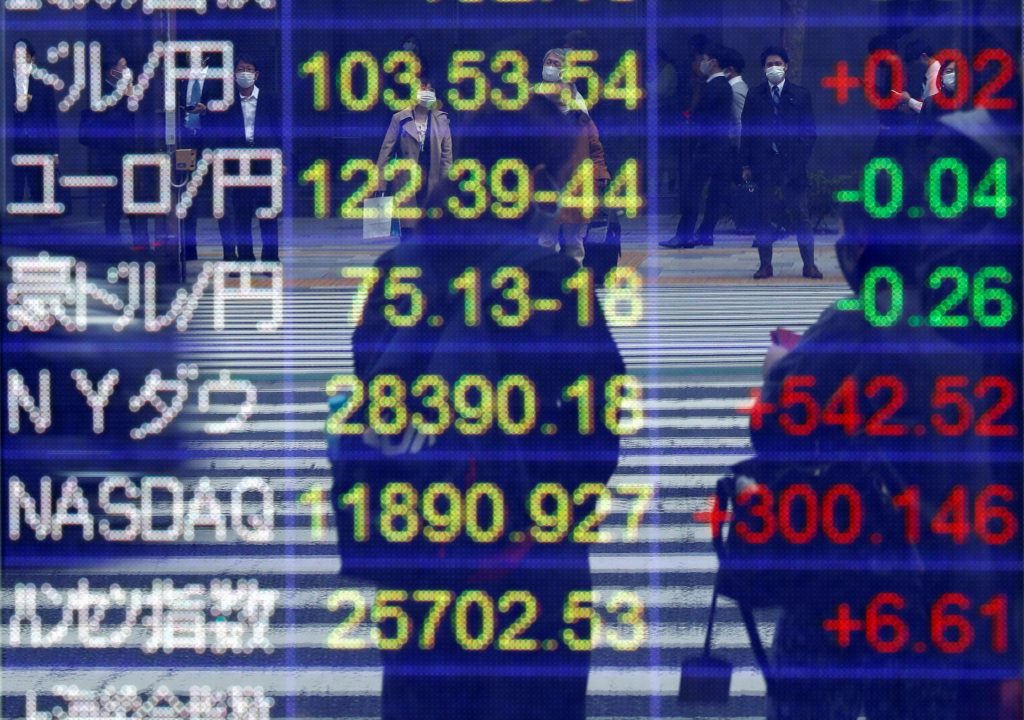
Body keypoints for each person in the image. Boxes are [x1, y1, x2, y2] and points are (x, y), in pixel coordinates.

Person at [330, 97, 625, 720]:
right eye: (571, 179)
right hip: (529, 581)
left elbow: (371, 386)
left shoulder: (396, 271)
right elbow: (595, 444)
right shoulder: (554, 285)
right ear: (539, 182)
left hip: (418, 575)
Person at [740, 46, 821, 279]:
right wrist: (746, 164)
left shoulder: (800, 94)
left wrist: (799, 158)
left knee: (801, 214)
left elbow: (809, 132)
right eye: (768, 64)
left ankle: (809, 264)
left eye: (778, 63)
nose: (774, 68)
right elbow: (747, 132)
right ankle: (765, 264)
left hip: (793, 165)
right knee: (764, 216)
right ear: (763, 68)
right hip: (764, 164)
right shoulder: (755, 95)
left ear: (786, 66)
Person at [535, 48, 611, 265]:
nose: (550, 67)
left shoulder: (579, 113)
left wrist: (600, 175)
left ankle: (573, 285)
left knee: (574, 241)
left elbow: (594, 147)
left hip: (576, 185)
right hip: (544, 185)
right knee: (545, 241)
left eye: (556, 63)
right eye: (547, 61)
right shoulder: (533, 106)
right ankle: (544, 283)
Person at [207, 56, 280, 262]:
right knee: (241, 214)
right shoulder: (227, 103)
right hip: (238, 163)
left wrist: (282, 161)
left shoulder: (271, 99)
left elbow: (281, 131)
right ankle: (246, 257)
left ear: (256, 75)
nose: (244, 73)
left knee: (268, 213)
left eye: (248, 69)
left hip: (266, 162)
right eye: (240, 69)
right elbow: (220, 135)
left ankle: (270, 258)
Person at [661, 44, 733, 249]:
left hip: (708, 147)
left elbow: (700, 116)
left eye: (704, 58)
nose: (701, 63)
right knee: (715, 194)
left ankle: (684, 235)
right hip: (720, 146)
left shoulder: (714, 86)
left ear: (714, 62)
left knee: (692, 190)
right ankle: (705, 233)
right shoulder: (723, 86)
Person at [78, 52, 150, 251]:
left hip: (133, 155)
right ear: (112, 72)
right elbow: (110, 122)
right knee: (115, 201)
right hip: (112, 156)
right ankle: (114, 244)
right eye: (122, 67)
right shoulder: (102, 93)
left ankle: (140, 244)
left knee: (136, 200)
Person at [373, 76, 453, 237]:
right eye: (423, 90)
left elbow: (446, 158)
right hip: (406, 184)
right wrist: (379, 185)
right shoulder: (399, 118)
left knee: (431, 234)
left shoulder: (442, 120)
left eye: (430, 90)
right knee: (408, 234)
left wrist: (446, 188)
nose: (426, 94)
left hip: (432, 183)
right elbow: (385, 153)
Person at [8, 40, 57, 204]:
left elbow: (51, 118)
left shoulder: (43, 84)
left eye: (24, 56)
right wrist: (17, 107)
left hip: (39, 145)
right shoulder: (8, 82)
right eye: (16, 56)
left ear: (32, 59)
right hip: (15, 145)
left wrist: (55, 151)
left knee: (39, 191)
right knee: (16, 194)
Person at [177, 52, 216, 262]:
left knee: (219, 196)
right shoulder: (182, 80)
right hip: (186, 141)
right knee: (188, 194)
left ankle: (231, 252)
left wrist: (207, 109)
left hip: (208, 141)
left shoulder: (217, 78)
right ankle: (189, 249)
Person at [722, 47, 748, 148]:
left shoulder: (735, 90)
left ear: (731, 69)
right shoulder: (739, 86)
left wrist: (740, 152)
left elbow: (739, 122)